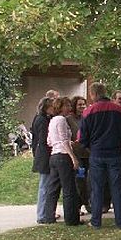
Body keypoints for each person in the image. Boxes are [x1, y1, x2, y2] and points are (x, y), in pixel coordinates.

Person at [78, 82, 121, 229]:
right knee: (117, 188)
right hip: (114, 152)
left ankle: (96, 221)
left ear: (93, 94)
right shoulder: (119, 110)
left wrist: (90, 149)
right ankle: (120, 221)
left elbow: (83, 138)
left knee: (97, 188)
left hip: (96, 153)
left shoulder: (88, 112)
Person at [43, 97, 83, 226]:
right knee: (69, 189)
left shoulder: (53, 121)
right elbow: (64, 140)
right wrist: (73, 157)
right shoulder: (61, 120)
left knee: (53, 188)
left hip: (54, 155)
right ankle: (72, 219)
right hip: (63, 155)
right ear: (60, 107)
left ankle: (48, 216)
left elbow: (50, 140)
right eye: (66, 106)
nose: (69, 108)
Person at [31, 97, 55, 224]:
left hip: (43, 155)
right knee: (44, 186)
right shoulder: (42, 120)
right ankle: (42, 214)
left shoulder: (43, 118)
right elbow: (43, 140)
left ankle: (46, 213)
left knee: (46, 185)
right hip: (44, 156)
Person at [67, 95, 90, 214]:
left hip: (88, 154)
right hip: (77, 155)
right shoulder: (69, 119)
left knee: (88, 181)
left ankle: (88, 203)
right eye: (79, 104)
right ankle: (79, 205)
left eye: (83, 104)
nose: (82, 106)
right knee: (80, 180)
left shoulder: (86, 117)